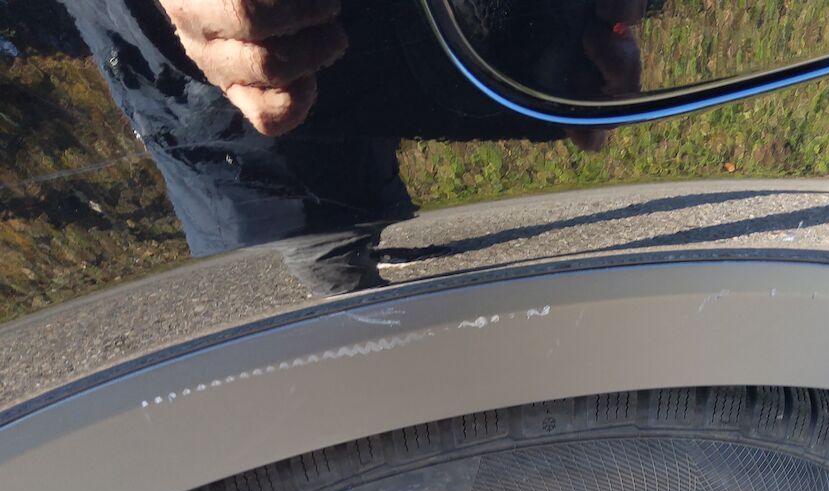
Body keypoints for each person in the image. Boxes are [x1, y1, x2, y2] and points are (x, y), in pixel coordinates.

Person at [59, 0, 645, 291]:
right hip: (226, 124)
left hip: (364, 65)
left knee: (363, 205)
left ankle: (372, 260)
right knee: (323, 318)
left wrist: (581, 22)